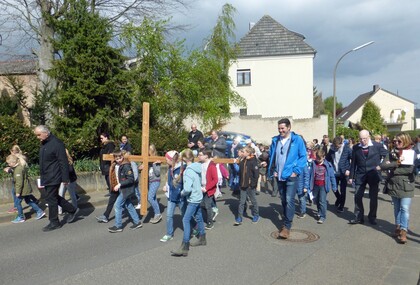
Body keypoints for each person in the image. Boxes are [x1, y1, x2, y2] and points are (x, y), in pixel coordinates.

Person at [265, 118, 306, 239]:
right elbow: (273, 155)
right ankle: (286, 216)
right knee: (283, 199)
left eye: (283, 128)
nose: (280, 130)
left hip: (291, 175)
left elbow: (303, 156)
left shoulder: (296, 140)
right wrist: (272, 168)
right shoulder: (275, 140)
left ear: (289, 127)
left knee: (289, 199)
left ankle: (287, 227)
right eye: (279, 128)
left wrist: (296, 171)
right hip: (279, 175)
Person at [34, 125, 79, 232]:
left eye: (39, 135)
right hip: (47, 175)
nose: (37, 137)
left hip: (54, 176)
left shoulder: (57, 143)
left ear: (46, 133)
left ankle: (54, 222)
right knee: (52, 197)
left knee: (51, 198)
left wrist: (65, 179)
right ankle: (72, 209)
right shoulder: (45, 143)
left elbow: (63, 162)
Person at [380, 132, 416, 243]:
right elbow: (383, 166)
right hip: (394, 184)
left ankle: (404, 231)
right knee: (396, 208)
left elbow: (409, 170)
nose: (396, 143)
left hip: (406, 185)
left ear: (405, 140)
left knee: (404, 208)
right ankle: (398, 227)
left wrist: (393, 168)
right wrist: (397, 163)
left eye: (399, 141)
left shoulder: (411, 153)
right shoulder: (391, 152)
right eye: (394, 141)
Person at [348, 130, 388, 225]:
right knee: (357, 196)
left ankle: (372, 217)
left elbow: (387, 155)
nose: (362, 141)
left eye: (364, 139)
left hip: (373, 174)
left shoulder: (377, 146)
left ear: (369, 137)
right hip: (360, 174)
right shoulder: (356, 147)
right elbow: (353, 163)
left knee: (373, 197)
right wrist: (351, 176)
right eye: (361, 139)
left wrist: (382, 166)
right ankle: (358, 217)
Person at [171, 149, 206, 257]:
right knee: (199, 217)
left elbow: (187, 189)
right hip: (199, 196)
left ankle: (185, 246)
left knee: (185, 219)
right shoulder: (198, 167)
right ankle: (202, 238)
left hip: (192, 198)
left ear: (184, 159)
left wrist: (181, 193)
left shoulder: (187, 171)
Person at [107, 150, 142, 232]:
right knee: (128, 205)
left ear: (122, 157)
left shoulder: (126, 166)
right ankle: (137, 222)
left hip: (126, 190)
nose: (118, 159)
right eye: (116, 158)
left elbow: (131, 179)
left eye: (120, 158)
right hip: (122, 189)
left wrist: (120, 184)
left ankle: (118, 226)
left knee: (117, 205)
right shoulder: (116, 165)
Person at [6, 154, 46, 223]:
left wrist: (18, 192)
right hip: (25, 189)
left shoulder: (18, 170)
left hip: (22, 190)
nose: (8, 165)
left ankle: (21, 217)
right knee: (28, 201)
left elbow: (19, 182)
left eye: (9, 163)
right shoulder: (19, 167)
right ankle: (39, 211)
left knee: (17, 203)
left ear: (13, 162)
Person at [160, 150, 185, 242]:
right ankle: (169, 234)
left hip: (180, 196)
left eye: (167, 159)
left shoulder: (181, 169)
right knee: (169, 215)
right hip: (171, 197)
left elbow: (182, 183)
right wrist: (166, 186)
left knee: (185, 215)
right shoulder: (170, 168)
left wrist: (182, 193)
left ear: (171, 160)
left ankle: (194, 226)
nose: (165, 160)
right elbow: (169, 181)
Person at [308, 149, 337, 224]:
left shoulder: (328, 165)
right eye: (317, 158)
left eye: (319, 158)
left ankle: (322, 216)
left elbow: (332, 177)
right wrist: (308, 185)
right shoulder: (313, 164)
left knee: (322, 201)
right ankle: (319, 211)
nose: (318, 160)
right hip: (315, 185)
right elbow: (310, 175)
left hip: (323, 185)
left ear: (323, 157)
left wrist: (334, 187)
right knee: (317, 200)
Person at [234, 146, 260, 225]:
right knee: (241, 202)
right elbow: (240, 172)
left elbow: (256, 174)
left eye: (244, 152)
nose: (242, 153)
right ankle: (239, 217)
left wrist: (253, 184)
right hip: (242, 185)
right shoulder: (243, 160)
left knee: (253, 201)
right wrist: (236, 163)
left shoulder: (253, 161)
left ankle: (256, 215)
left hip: (249, 186)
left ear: (248, 153)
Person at [326, 136, 352, 213]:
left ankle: (341, 206)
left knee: (343, 190)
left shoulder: (347, 149)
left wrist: (349, 169)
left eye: (338, 146)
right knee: (334, 188)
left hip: (344, 172)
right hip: (334, 172)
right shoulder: (332, 149)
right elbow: (327, 159)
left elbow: (354, 159)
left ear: (341, 143)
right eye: (335, 146)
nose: (336, 147)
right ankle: (339, 198)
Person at [138, 145, 162, 224]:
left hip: (156, 180)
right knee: (153, 198)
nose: (148, 153)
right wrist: (140, 168)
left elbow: (158, 173)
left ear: (152, 151)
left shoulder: (156, 160)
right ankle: (157, 213)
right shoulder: (146, 160)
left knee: (150, 198)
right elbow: (142, 170)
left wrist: (155, 164)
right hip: (149, 181)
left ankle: (158, 214)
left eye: (149, 151)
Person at [198, 149, 218, 230]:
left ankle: (210, 222)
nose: (198, 156)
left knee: (207, 206)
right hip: (201, 188)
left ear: (206, 156)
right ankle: (212, 213)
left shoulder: (212, 165)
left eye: (200, 155)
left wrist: (206, 188)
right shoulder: (200, 164)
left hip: (208, 189)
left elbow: (215, 179)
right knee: (201, 205)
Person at [58, 149, 79, 214]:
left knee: (72, 195)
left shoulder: (68, 161)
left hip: (70, 180)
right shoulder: (60, 161)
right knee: (60, 194)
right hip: (63, 180)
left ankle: (75, 208)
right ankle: (60, 210)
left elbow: (70, 170)